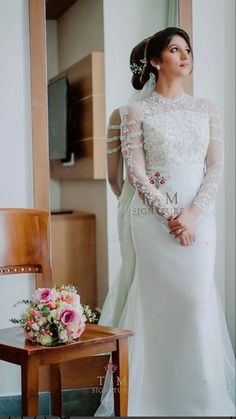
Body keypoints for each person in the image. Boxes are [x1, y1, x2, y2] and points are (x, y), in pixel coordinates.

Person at [95, 27, 236, 416]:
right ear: (156, 61)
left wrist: (191, 215)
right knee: (155, 306)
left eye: (188, 49)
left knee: (196, 303)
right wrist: (170, 216)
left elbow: (216, 167)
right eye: (176, 49)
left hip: (199, 220)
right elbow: (135, 174)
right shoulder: (135, 113)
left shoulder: (206, 108)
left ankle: (201, 399)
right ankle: (149, 400)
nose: (185, 55)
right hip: (153, 222)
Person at [99, 38, 156, 327]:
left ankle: (127, 349)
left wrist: (129, 198)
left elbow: (113, 176)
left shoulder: (119, 115)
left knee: (134, 274)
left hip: (134, 205)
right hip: (175, 205)